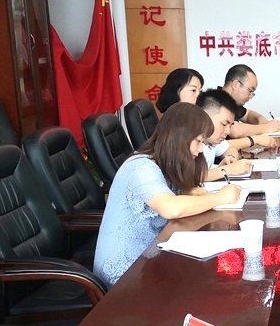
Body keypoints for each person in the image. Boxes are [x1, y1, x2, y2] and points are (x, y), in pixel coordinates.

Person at [93, 103, 241, 287]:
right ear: (180, 137)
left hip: (152, 257)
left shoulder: (164, 163)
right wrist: (219, 198)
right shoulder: (141, 168)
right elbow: (171, 208)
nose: (201, 149)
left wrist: (187, 191)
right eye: (198, 141)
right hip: (126, 275)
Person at [196, 88, 255, 180]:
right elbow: (192, 176)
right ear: (204, 117)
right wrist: (228, 169)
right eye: (224, 124)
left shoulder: (210, 141)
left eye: (230, 126)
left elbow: (229, 148)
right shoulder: (188, 141)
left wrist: (229, 158)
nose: (227, 131)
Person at [222, 64, 280, 138]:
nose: (251, 96)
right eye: (250, 90)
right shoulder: (216, 101)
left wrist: (261, 120)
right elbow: (235, 130)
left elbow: (247, 114)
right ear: (236, 85)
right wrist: (266, 127)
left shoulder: (232, 101)